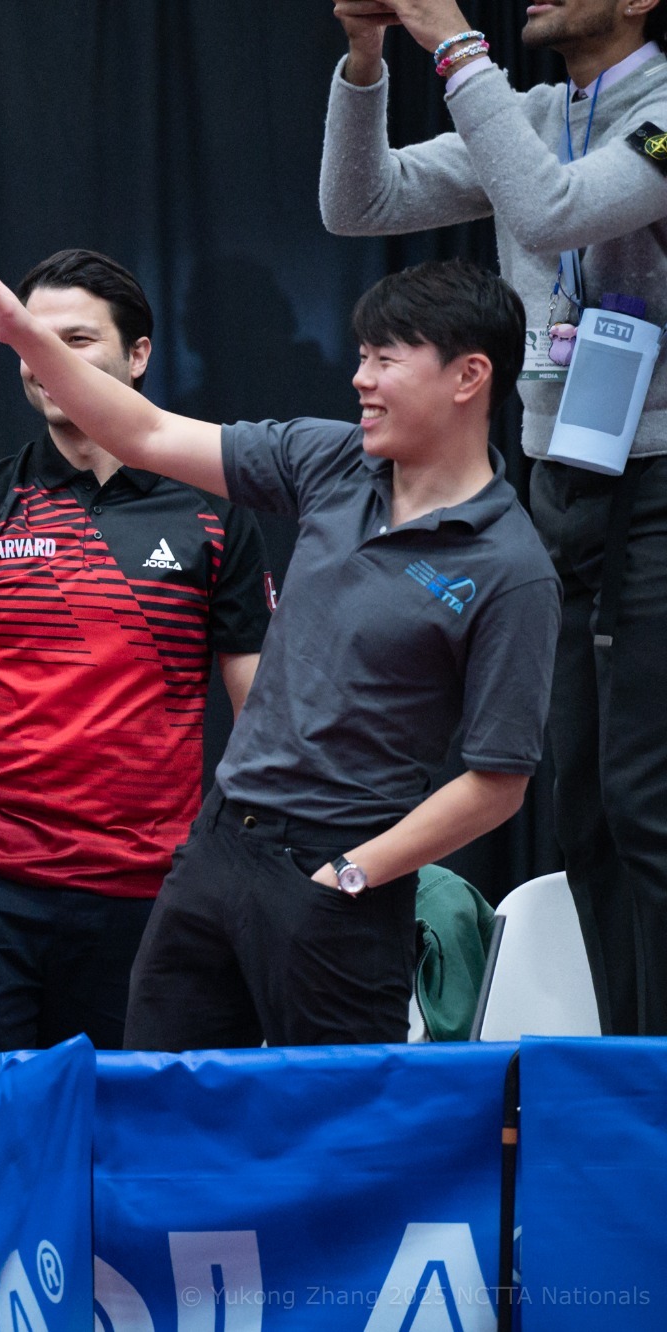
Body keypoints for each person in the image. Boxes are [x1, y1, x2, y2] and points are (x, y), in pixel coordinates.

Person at [0, 257, 560, 1050]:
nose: (361, 379)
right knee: (153, 1105)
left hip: (339, 876)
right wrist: (20, 333)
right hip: (216, 850)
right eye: (360, 357)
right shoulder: (332, 463)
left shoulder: (511, 567)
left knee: (326, 1132)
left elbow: (498, 783)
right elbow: (144, 431)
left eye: (386, 359)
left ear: (469, 376)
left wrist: (354, 873)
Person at [320, 0, 667, 1035]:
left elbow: (553, 210)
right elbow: (357, 200)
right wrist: (366, 53)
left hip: (657, 483)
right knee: (586, 814)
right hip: (559, 483)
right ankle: (629, 1074)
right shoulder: (526, 112)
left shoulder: (656, 115)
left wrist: (449, 42)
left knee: (648, 806)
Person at [0, 250, 272, 1055]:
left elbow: (261, 718)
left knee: (124, 1154)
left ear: (139, 354)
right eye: (28, 338)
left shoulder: (214, 509)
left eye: (75, 339)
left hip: (146, 895)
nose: (43, 359)